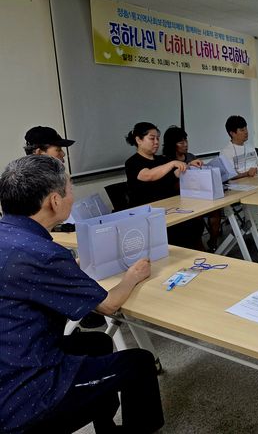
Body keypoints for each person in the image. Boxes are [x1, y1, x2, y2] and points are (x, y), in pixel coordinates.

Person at [0, 155, 164, 433]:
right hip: (24, 394)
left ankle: (105, 426)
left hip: (10, 357)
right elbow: (108, 305)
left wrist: (69, 269)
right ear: (54, 200)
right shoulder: (44, 253)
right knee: (139, 363)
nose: (73, 196)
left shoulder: (13, 238)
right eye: (70, 189)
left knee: (98, 343)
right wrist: (133, 276)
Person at [125, 122, 204, 250]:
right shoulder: (132, 162)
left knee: (195, 222)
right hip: (148, 214)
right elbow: (149, 175)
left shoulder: (161, 160)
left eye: (157, 138)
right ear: (139, 140)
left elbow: (174, 174)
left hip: (170, 208)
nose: (156, 142)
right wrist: (172, 163)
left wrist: (188, 165)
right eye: (152, 138)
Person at [162, 125, 222, 250]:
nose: (185, 144)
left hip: (199, 195)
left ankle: (213, 241)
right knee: (196, 216)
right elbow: (171, 185)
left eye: (186, 140)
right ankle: (199, 247)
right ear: (172, 144)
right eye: (181, 142)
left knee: (216, 211)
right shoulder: (167, 161)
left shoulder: (190, 156)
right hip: (181, 199)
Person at [219, 115, 258, 179]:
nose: (246, 132)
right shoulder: (226, 152)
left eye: (246, 128)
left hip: (257, 180)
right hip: (241, 183)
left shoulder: (250, 147)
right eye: (242, 130)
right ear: (232, 133)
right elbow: (230, 175)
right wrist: (247, 173)